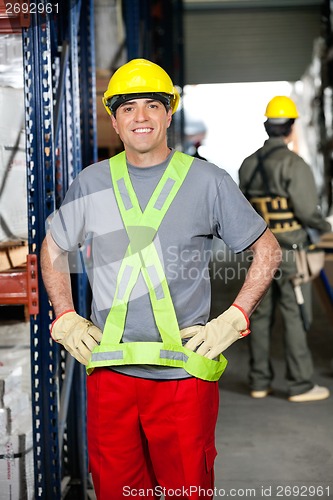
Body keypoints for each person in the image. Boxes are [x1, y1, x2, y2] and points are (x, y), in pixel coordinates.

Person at [40, 59, 281, 499]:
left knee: (186, 489)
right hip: (111, 375)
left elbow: (267, 249)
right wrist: (66, 317)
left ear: (170, 113)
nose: (141, 117)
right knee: (117, 491)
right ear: (114, 120)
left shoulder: (208, 181)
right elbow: (53, 247)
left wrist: (234, 316)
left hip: (183, 378)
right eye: (129, 108)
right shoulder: (91, 182)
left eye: (153, 105)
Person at [239, 95, 332, 403]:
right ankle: (299, 384)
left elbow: (243, 210)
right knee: (293, 313)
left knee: (259, 314)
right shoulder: (295, 165)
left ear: (267, 127)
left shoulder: (248, 165)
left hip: (260, 252)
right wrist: (325, 227)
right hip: (290, 252)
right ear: (290, 128)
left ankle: (259, 382)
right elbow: (307, 211)